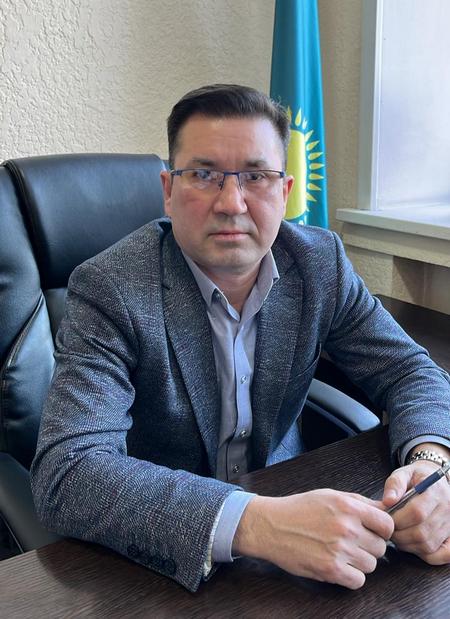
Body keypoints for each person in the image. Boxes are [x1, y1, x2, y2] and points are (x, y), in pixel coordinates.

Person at [31, 84, 450, 593]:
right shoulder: (111, 287)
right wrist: (255, 523)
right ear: (168, 190)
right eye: (204, 175)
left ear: (285, 190)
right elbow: (68, 473)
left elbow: (409, 370)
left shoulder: (319, 264)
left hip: (298, 523)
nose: (232, 203)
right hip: (158, 558)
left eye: (256, 176)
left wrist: (432, 465)